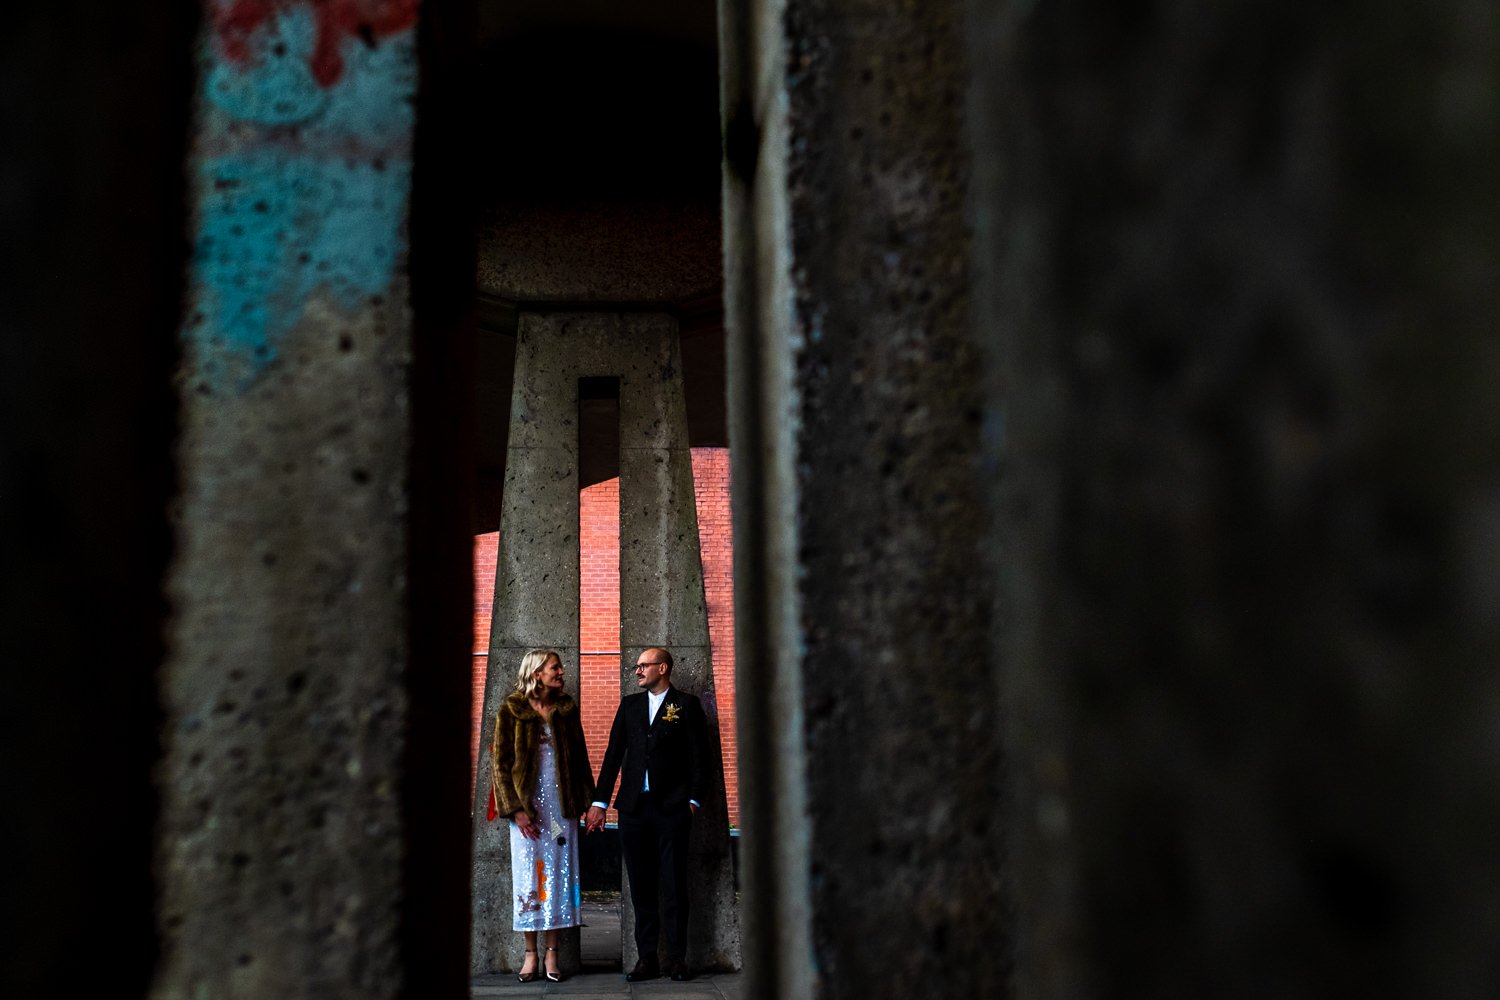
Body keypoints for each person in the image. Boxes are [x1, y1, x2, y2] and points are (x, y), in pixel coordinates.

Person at [585, 646, 709, 982]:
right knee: (640, 887)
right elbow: (613, 756)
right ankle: (646, 958)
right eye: (637, 666)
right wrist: (599, 802)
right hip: (634, 810)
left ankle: (678, 959)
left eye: (644, 665)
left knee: (672, 884)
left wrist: (694, 801)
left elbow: (701, 757)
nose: (637, 671)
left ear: (663, 668)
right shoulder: (630, 706)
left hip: (672, 809)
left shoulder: (685, 705)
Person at [490, 648, 596, 983]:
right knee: (528, 876)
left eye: (560, 667)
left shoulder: (566, 709)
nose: (561, 672)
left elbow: (579, 759)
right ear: (537, 673)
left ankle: (553, 953)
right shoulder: (511, 709)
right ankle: (530, 954)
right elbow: (500, 765)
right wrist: (515, 810)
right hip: (526, 810)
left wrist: (591, 802)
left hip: (559, 810)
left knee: (558, 874)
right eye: (555, 667)